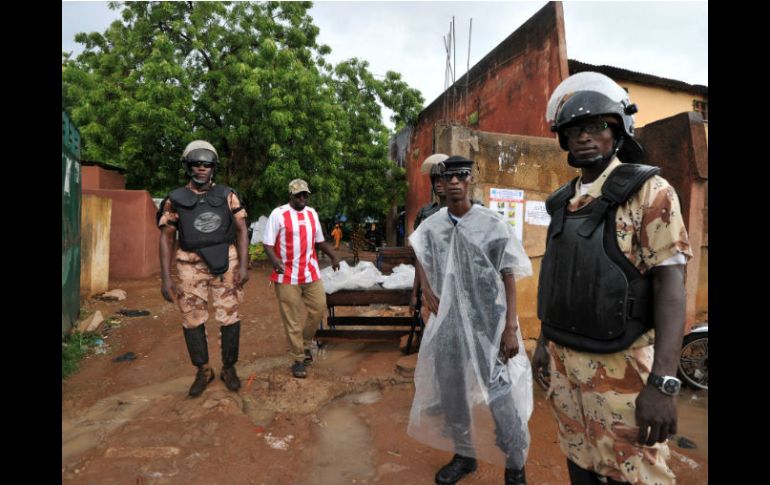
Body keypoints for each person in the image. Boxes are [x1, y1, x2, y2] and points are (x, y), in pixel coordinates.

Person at [532, 72, 692, 485]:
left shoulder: (650, 192)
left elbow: (671, 285)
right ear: (564, 139)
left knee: (635, 473)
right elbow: (558, 281)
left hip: (622, 371)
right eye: (574, 129)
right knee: (579, 461)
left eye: (598, 126)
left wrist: (663, 382)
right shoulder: (562, 202)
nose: (585, 136)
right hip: (567, 367)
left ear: (618, 131)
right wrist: (543, 343)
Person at [408, 156, 533, 485]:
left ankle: (515, 465)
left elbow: (508, 273)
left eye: (460, 176)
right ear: (440, 183)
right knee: (452, 391)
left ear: (470, 180)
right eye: (447, 177)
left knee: (500, 395)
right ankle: (465, 455)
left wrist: (510, 328)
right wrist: (425, 291)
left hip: (488, 322)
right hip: (448, 322)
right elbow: (418, 250)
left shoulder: (491, 223)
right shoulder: (432, 225)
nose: (453, 182)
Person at [157, 140, 250, 397]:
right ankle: (203, 370)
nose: (201, 169)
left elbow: (242, 229)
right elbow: (166, 239)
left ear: (213, 168)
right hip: (189, 266)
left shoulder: (227, 195)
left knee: (229, 316)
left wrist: (244, 264)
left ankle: (229, 368)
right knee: (191, 319)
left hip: (226, 263)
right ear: (188, 166)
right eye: (196, 164)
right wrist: (166, 278)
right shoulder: (174, 200)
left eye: (206, 164)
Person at [263, 179, 341, 378]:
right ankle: (298, 359)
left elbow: (319, 241)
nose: (302, 198)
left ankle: (305, 344)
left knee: (318, 309)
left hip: (310, 272)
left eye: (305, 194)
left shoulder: (312, 213)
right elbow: (268, 244)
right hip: (286, 274)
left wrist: (333, 255)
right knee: (292, 318)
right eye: (298, 195)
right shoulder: (278, 214)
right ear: (290, 195)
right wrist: (275, 261)